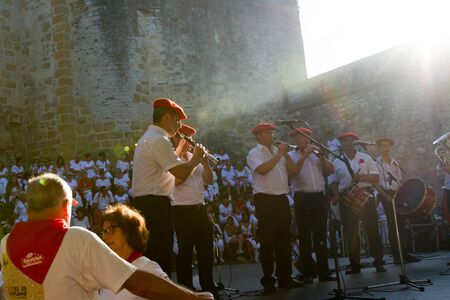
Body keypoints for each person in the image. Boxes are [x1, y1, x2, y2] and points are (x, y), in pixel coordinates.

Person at [0, 173, 213, 300]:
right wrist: (193, 298)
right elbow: (141, 285)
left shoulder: (5, 244)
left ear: (27, 209)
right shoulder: (76, 240)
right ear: (66, 206)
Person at [132, 98, 206, 277]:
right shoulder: (158, 140)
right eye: (177, 120)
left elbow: (164, 172)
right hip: (155, 205)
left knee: (155, 256)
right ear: (166, 118)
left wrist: (179, 152)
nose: (179, 125)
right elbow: (180, 173)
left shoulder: (151, 138)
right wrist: (196, 157)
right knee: (160, 257)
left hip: (150, 203)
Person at [246, 122, 303, 291]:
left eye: (272, 133)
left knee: (284, 241)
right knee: (267, 241)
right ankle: (268, 280)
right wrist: (280, 154)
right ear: (259, 136)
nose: (272, 136)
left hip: (281, 199)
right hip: (265, 199)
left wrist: (286, 156)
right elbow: (263, 170)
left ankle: (285, 277)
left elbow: (293, 172)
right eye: (268, 133)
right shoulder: (254, 153)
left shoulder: (279, 153)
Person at [172, 124, 219, 299]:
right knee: (185, 252)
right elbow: (176, 181)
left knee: (206, 251)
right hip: (181, 210)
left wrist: (205, 162)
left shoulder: (195, 157)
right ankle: (186, 290)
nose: (188, 142)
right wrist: (195, 162)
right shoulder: (172, 159)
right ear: (176, 139)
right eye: (184, 137)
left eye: (190, 138)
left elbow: (209, 180)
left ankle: (209, 287)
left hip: (200, 208)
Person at [330, 131, 385, 274]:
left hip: (365, 195)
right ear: (341, 144)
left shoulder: (366, 158)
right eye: (345, 141)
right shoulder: (336, 162)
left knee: (372, 229)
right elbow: (333, 182)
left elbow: (375, 177)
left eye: (350, 140)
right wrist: (336, 195)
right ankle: (354, 264)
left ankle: (378, 261)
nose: (348, 143)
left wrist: (360, 177)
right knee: (350, 232)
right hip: (346, 198)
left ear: (355, 142)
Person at [288, 127, 336, 283]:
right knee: (305, 236)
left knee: (321, 235)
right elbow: (293, 174)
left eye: (308, 136)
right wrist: (304, 155)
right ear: (295, 139)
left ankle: (323, 272)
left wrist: (321, 156)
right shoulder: (291, 155)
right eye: (302, 137)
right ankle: (308, 272)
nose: (306, 139)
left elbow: (330, 169)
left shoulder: (316, 156)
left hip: (319, 197)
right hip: (302, 197)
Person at [99, 204, 167, 299]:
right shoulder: (107, 271)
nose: (104, 237)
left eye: (110, 230)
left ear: (128, 231)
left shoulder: (148, 268)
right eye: (104, 231)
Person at [374, 137, 420, 264]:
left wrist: (399, 192)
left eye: (388, 145)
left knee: (402, 224)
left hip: (397, 194)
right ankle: (397, 256)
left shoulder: (394, 162)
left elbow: (400, 180)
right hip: (386, 194)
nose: (386, 148)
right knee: (393, 225)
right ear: (379, 147)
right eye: (383, 145)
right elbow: (376, 183)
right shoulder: (376, 163)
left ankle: (405, 253)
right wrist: (385, 195)